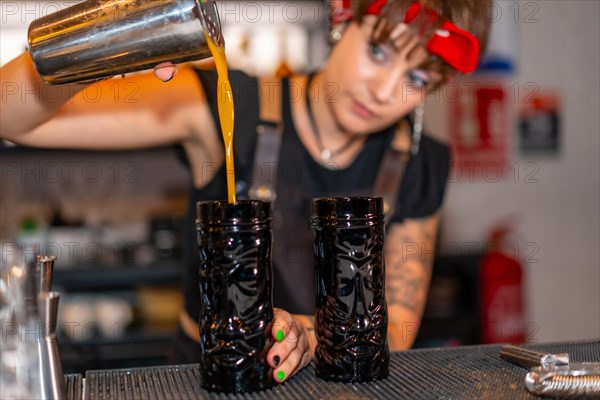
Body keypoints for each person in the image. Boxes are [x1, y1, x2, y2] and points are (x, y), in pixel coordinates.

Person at [1, 0, 491, 383]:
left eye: (416, 77)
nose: (385, 90)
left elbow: (398, 327)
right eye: (378, 51)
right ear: (343, 19)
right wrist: (107, 38)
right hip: (203, 380)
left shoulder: (420, 163)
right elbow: (10, 114)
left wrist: (310, 332)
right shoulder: (227, 104)